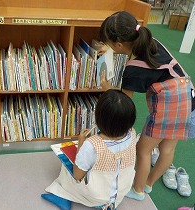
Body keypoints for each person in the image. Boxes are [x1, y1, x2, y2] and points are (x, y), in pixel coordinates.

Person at [99, 11, 193, 200]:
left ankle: (139, 190)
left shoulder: (132, 69)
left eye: (109, 43)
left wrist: (108, 89)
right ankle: (149, 184)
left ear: (118, 45)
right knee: (167, 149)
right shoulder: (150, 41)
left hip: (169, 105)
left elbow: (124, 104)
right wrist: (109, 48)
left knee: (143, 150)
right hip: (188, 93)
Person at [41, 89, 137, 210]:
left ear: (98, 118)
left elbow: (77, 175)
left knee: (66, 165)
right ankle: (110, 204)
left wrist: (81, 143)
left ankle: (63, 196)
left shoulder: (92, 145)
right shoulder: (132, 134)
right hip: (120, 192)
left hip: (96, 197)